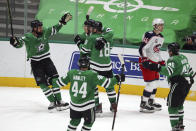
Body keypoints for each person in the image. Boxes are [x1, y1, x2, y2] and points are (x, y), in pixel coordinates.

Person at [9, 13, 72, 112]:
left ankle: (59, 101)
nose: (41, 29)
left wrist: (62, 23)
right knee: (43, 84)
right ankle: (52, 102)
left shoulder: (45, 32)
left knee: (55, 80)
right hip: (36, 63)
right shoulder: (28, 36)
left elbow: (55, 29)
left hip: (47, 60)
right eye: (39, 27)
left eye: (41, 27)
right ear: (34, 29)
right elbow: (20, 43)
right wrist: (15, 42)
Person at [52, 57, 125, 131]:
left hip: (74, 106)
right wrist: (118, 78)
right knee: (89, 122)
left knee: (74, 122)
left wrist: (50, 80)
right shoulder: (92, 74)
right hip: (87, 107)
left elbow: (58, 83)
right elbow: (108, 83)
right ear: (88, 65)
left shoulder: (71, 73)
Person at [145, 42, 195, 131]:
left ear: (171, 51)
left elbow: (168, 72)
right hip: (186, 85)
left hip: (177, 85)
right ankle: (180, 124)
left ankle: (175, 127)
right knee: (179, 105)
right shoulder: (183, 57)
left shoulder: (172, 59)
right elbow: (189, 70)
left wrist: (156, 67)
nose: (168, 52)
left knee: (172, 107)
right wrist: (191, 78)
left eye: (169, 50)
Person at [78, 21, 116, 113]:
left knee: (92, 87)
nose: (90, 29)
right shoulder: (108, 38)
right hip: (107, 66)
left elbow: (84, 50)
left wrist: (79, 43)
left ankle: (97, 106)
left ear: (95, 29)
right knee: (110, 86)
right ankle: (114, 105)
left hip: (95, 67)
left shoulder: (92, 38)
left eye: (91, 28)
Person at [138, 18, 165, 113]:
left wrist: (161, 61)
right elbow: (142, 48)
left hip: (155, 62)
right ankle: (143, 104)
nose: (162, 26)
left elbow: (156, 51)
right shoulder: (148, 34)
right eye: (160, 25)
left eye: (162, 25)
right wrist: (144, 59)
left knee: (156, 82)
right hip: (147, 61)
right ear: (155, 26)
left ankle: (151, 101)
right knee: (151, 84)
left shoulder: (161, 37)